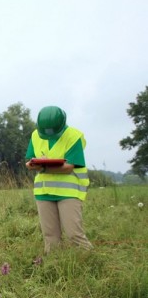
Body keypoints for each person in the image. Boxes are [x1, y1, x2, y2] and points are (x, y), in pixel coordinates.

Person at [25, 106, 92, 253]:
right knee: (50, 236)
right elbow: (30, 160)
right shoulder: (36, 135)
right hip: (44, 192)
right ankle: (54, 266)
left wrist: (43, 168)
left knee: (74, 234)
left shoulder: (74, 136)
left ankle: (91, 264)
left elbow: (68, 167)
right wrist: (32, 164)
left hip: (69, 193)